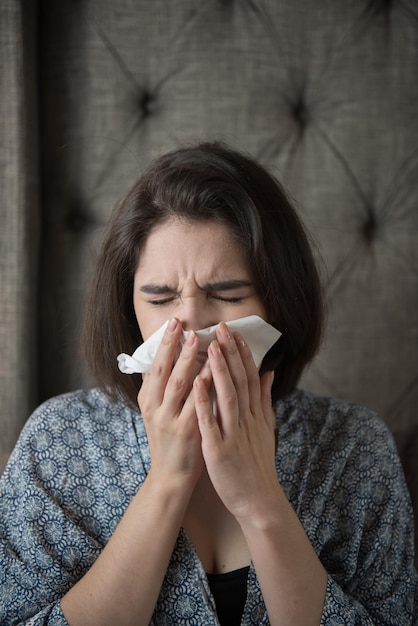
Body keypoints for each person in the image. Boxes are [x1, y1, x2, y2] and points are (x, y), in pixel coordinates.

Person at [0, 142, 416, 625]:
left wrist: (260, 499)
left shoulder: (354, 448)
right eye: (160, 298)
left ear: (277, 303)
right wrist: (167, 482)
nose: (190, 323)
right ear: (128, 309)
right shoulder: (58, 441)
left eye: (227, 294)